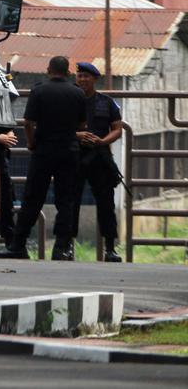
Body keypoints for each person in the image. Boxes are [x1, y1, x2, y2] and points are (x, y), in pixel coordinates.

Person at [1, 56, 87, 261]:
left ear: (48, 70)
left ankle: (18, 245)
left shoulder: (39, 91)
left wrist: (31, 143)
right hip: (68, 151)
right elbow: (82, 126)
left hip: (43, 151)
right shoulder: (78, 93)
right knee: (66, 200)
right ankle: (61, 248)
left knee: (33, 197)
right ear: (68, 73)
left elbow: (28, 122)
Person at [74, 62, 124, 263]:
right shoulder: (70, 100)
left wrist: (103, 141)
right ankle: (66, 245)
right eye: (79, 76)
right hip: (75, 156)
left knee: (106, 203)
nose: (82, 79)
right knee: (71, 201)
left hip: (100, 157)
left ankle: (110, 248)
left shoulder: (107, 102)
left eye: (86, 76)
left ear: (95, 79)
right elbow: (59, 126)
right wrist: (77, 136)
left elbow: (117, 129)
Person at [0, 129, 18, 254]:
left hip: (0, 160)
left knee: (6, 203)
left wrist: (9, 135)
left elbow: (9, 126)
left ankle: (12, 243)